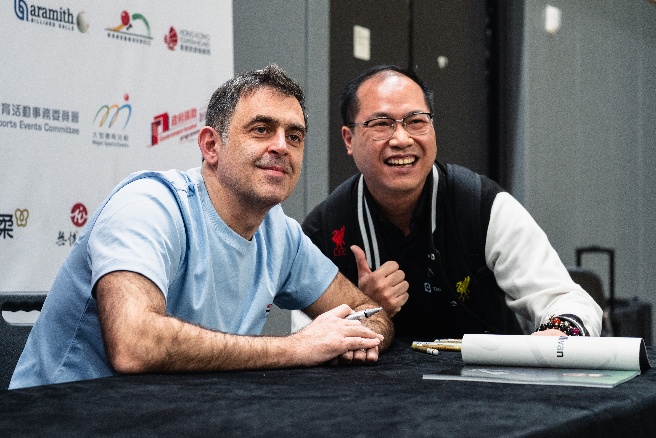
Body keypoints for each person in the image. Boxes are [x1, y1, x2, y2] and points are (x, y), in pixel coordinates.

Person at [10, 65, 393, 390]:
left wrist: (357, 337)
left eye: (294, 136)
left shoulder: (282, 235)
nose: (282, 146)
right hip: (60, 415)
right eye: (261, 129)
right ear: (211, 146)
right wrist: (298, 346)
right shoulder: (148, 206)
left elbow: (370, 310)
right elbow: (134, 345)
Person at [301, 64, 602, 340]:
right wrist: (363, 309)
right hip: (372, 382)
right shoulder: (323, 230)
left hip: (486, 378)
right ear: (349, 139)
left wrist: (557, 333)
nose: (402, 139)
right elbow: (309, 340)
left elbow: (568, 300)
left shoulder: (483, 207)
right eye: (381, 124)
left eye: (416, 121)